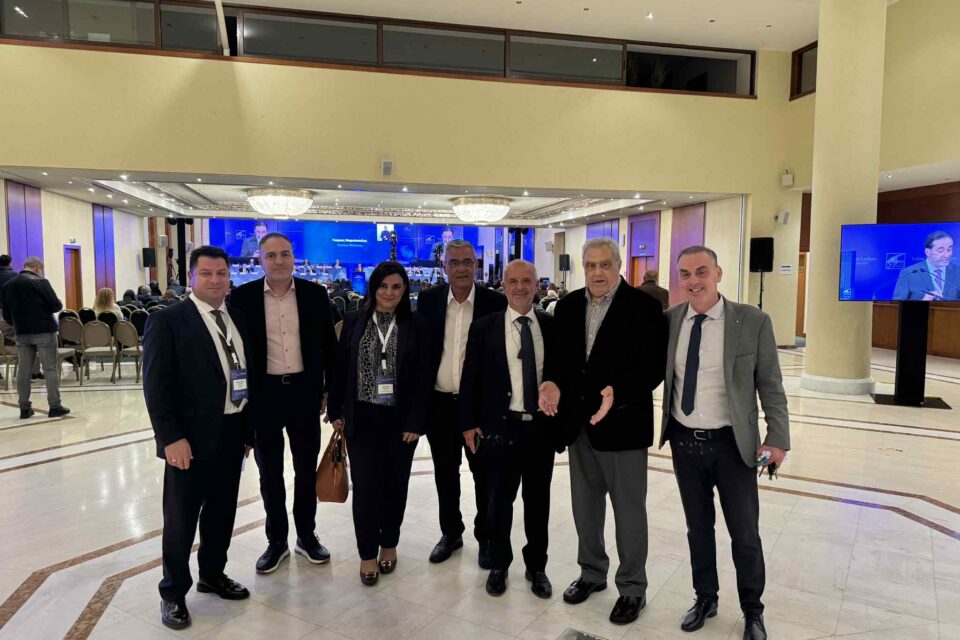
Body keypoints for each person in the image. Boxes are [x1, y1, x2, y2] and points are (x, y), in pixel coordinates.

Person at [659, 245, 789, 640]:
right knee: (698, 528)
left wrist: (777, 439)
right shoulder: (670, 320)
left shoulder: (752, 321)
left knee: (745, 534)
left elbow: (771, 384)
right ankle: (705, 598)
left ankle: (753, 610)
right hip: (685, 442)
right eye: (685, 273)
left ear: (718, 273)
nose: (693, 281)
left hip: (734, 445)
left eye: (701, 272)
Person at [539, 237, 667, 625]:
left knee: (629, 512)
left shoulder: (644, 307)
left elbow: (653, 367)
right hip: (579, 427)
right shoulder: (568, 306)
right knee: (585, 508)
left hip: (623, 426)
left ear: (619, 266)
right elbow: (559, 359)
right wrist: (551, 382)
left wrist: (618, 392)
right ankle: (592, 573)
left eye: (605, 265)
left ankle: (632, 588)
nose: (597, 272)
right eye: (591, 265)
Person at [142, 246, 255, 630]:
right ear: (191, 277)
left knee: (222, 511)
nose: (215, 280)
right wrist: (170, 438)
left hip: (232, 432)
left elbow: (246, 377)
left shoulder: (238, 319)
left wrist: (248, 431)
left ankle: (212, 574)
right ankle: (173, 592)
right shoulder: (168, 321)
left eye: (221, 273)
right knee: (181, 518)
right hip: (188, 438)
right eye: (206, 273)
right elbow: (156, 387)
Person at [229, 232, 338, 574]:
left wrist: (329, 391)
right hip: (264, 397)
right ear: (260, 260)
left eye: (285, 254)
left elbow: (329, 348)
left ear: (294, 258)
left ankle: (306, 535)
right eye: (272, 255)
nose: (279, 261)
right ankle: (276, 541)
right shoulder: (242, 298)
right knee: (270, 473)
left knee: (306, 470)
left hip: (305, 394)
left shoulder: (314, 294)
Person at [459, 260, 562, 599]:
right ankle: (499, 564)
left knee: (538, 504)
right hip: (500, 431)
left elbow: (562, 373)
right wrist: (468, 423)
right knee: (498, 503)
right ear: (503, 285)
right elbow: (470, 379)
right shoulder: (484, 328)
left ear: (537, 285)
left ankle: (537, 567)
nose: (520, 287)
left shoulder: (551, 326)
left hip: (540, 432)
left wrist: (556, 386)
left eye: (526, 281)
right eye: (513, 281)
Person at [327, 261, 431, 586]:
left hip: (402, 422)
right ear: (373, 288)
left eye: (396, 287)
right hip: (362, 418)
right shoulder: (354, 321)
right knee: (366, 489)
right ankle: (367, 553)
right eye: (383, 286)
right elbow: (339, 368)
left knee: (395, 487)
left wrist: (417, 420)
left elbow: (424, 378)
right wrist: (335, 410)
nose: (389, 293)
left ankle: (389, 544)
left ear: (405, 290)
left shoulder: (417, 325)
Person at [415, 239, 507, 567]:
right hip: (440, 404)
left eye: (468, 262)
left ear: (476, 266)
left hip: (479, 409)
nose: (462, 268)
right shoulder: (428, 301)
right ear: (444, 267)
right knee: (445, 473)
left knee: (484, 475)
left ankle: (486, 537)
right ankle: (451, 532)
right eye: (454, 262)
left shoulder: (495, 303)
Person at [1, 257, 70, 419]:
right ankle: (55, 406)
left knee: (24, 370)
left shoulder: (8, 285)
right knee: (50, 368)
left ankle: (24, 408)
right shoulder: (41, 282)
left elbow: (6, 314)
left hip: (21, 333)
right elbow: (56, 306)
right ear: (37, 267)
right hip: (44, 330)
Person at [892, 230, 959, 300]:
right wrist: (922, 303)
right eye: (940, 250)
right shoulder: (909, 273)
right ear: (927, 252)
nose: (947, 255)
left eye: (949, 249)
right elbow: (897, 304)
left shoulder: (958, 271)